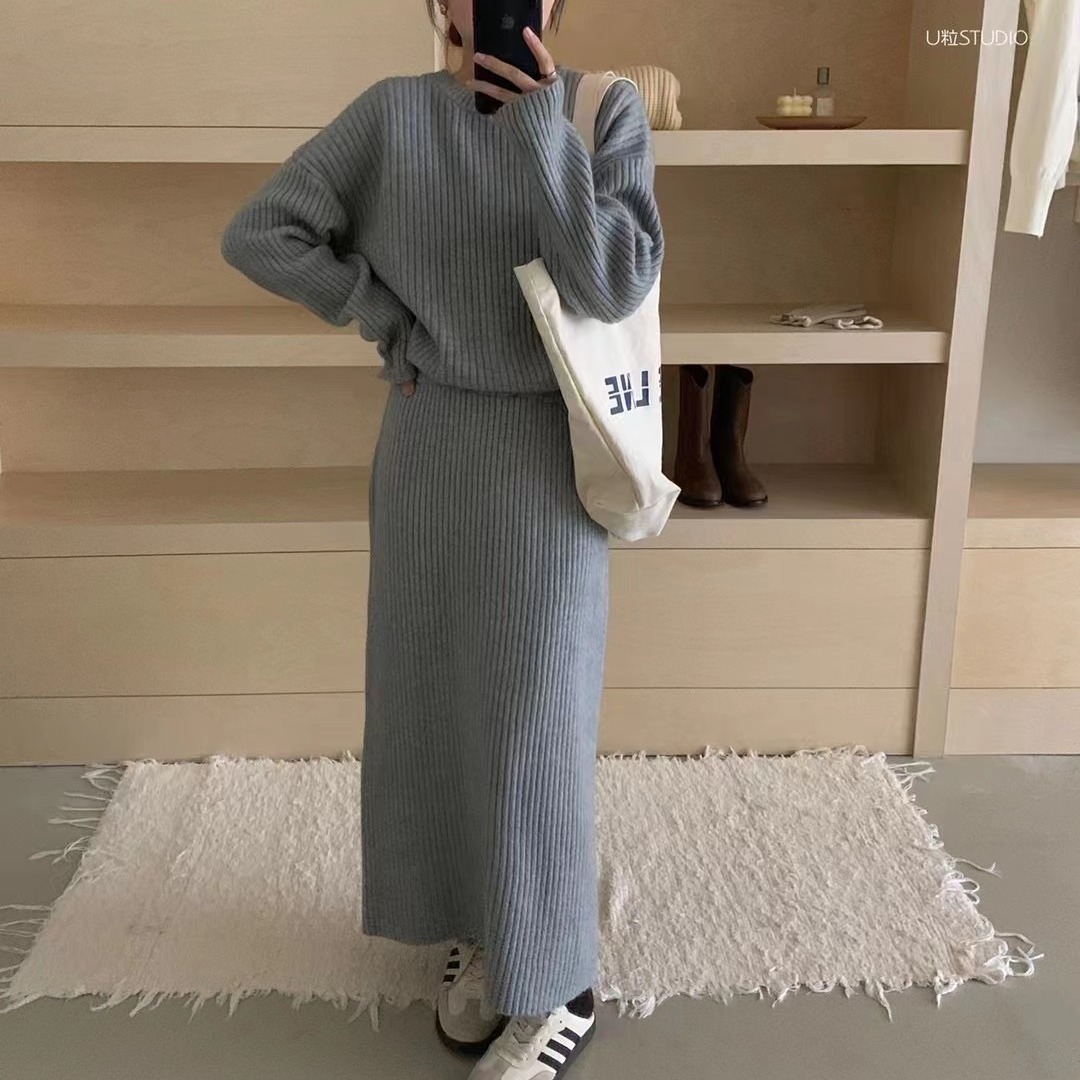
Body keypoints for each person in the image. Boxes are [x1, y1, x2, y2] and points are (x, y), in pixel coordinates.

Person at [220, 1, 663, 1075]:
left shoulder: (603, 112)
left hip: (548, 447)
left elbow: (614, 280)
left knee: (533, 715)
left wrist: (542, 131)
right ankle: (479, 920)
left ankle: (557, 980)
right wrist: (382, 315)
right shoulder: (389, 116)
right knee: (430, 698)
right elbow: (260, 231)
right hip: (428, 442)